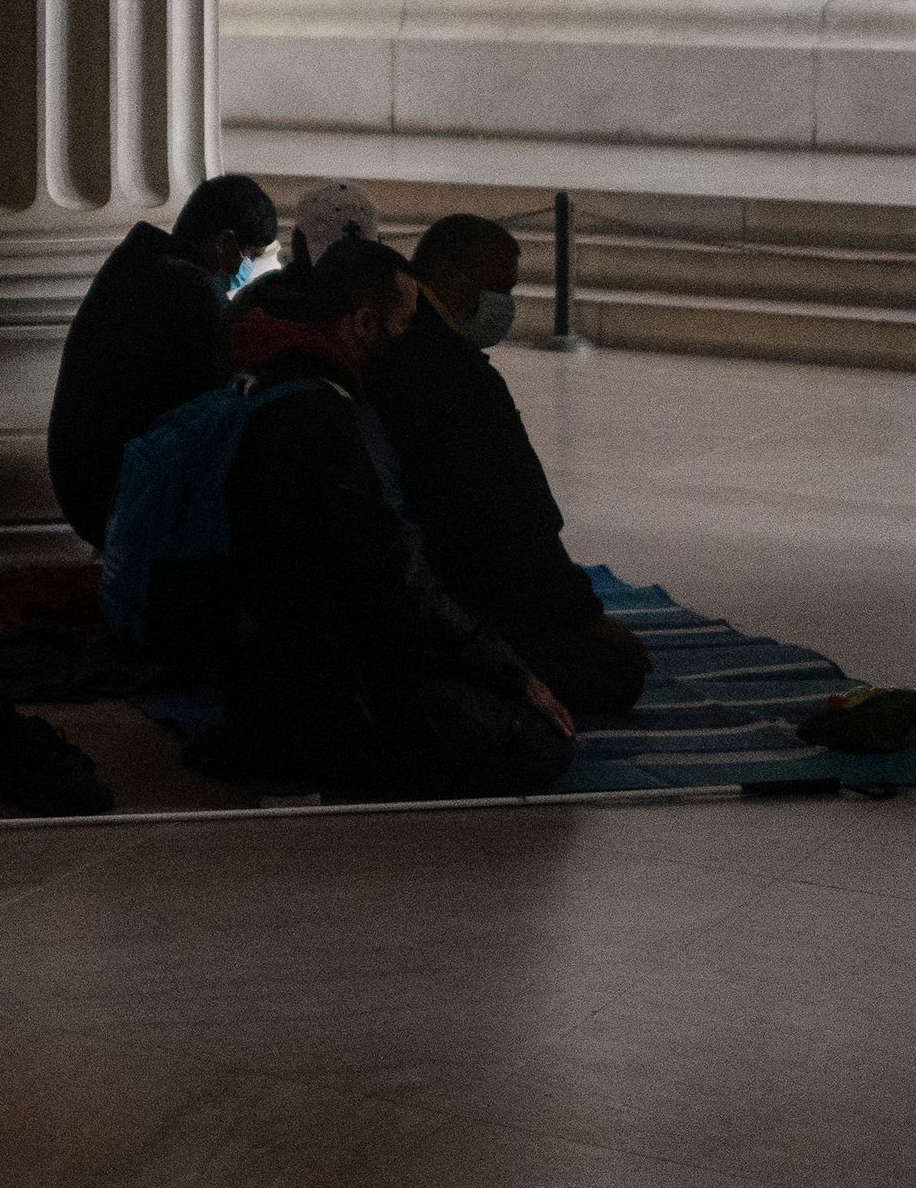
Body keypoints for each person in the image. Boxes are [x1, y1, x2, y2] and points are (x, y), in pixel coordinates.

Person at [212, 236, 576, 798]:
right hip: (332, 680)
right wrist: (512, 674)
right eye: (401, 323)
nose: (407, 338)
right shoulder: (330, 418)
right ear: (361, 323)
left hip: (272, 657)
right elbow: (397, 587)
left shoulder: (274, 374)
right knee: (540, 739)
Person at [364, 213, 648, 718]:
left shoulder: (404, 345)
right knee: (613, 673)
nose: (505, 307)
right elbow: (515, 519)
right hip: (461, 586)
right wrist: (584, 614)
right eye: (500, 289)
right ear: (454, 278)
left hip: (417, 573)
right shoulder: (457, 374)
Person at [48, 174, 283, 546]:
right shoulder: (192, 291)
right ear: (225, 244)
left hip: (87, 484)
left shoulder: (138, 265)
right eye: (251, 256)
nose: (249, 268)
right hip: (115, 497)